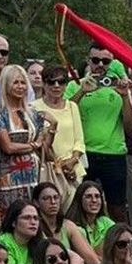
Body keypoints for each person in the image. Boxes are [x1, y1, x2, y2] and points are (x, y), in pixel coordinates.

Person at [66, 49, 132, 221]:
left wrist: (125, 97)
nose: (100, 65)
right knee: (79, 204)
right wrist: (82, 91)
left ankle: (120, 240)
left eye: (106, 61)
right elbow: (65, 113)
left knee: (117, 206)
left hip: (114, 154)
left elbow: (131, 127)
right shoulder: (75, 84)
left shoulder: (119, 86)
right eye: (96, 60)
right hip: (84, 153)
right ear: (88, 60)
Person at [0, 65, 50, 226]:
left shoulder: (32, 112)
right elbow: (7, 147)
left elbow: (43, 145)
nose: (20, 87)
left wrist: (52, 128)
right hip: (7, 176)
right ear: (6, 85)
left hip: (32, 174)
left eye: (23, 83)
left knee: (32, 216)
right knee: (10, 217)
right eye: (15, 82)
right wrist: (33, 145)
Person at [34, 67, 86, 207]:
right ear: (44, 84)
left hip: (73, 169)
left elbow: (79, 140)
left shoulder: (72, 106)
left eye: (61, 82)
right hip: (48, 169)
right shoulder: (34, 107)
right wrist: (59, 165)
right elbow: (38, 142)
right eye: (51, 82)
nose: (56, 86)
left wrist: (73, 160)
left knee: (72, 214)